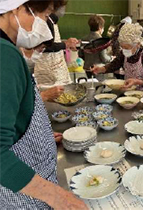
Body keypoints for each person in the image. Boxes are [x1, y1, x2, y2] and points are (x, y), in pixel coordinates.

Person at [0, 0, 87, 209]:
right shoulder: (5, 56)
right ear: (18, 8)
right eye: (45, 14)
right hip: (23, 195)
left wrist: (41, 139)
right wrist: (58, 197)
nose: (46, 24)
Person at [92, 23, 143, 96]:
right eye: (122, 47)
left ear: (137, 44)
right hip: (129, 94)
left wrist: (137, 81)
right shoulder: (123, 53)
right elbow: (114, 65)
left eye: (127, 48)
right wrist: (100, 69)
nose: (124, 50)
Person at [34, 11, 79, 89]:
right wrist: (65, 44)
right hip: (46, 69)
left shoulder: (52, 20)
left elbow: (52, 42)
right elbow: (43, 46)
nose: (64, 9)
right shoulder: (42, 20)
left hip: (57, 68)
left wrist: (66, 44)